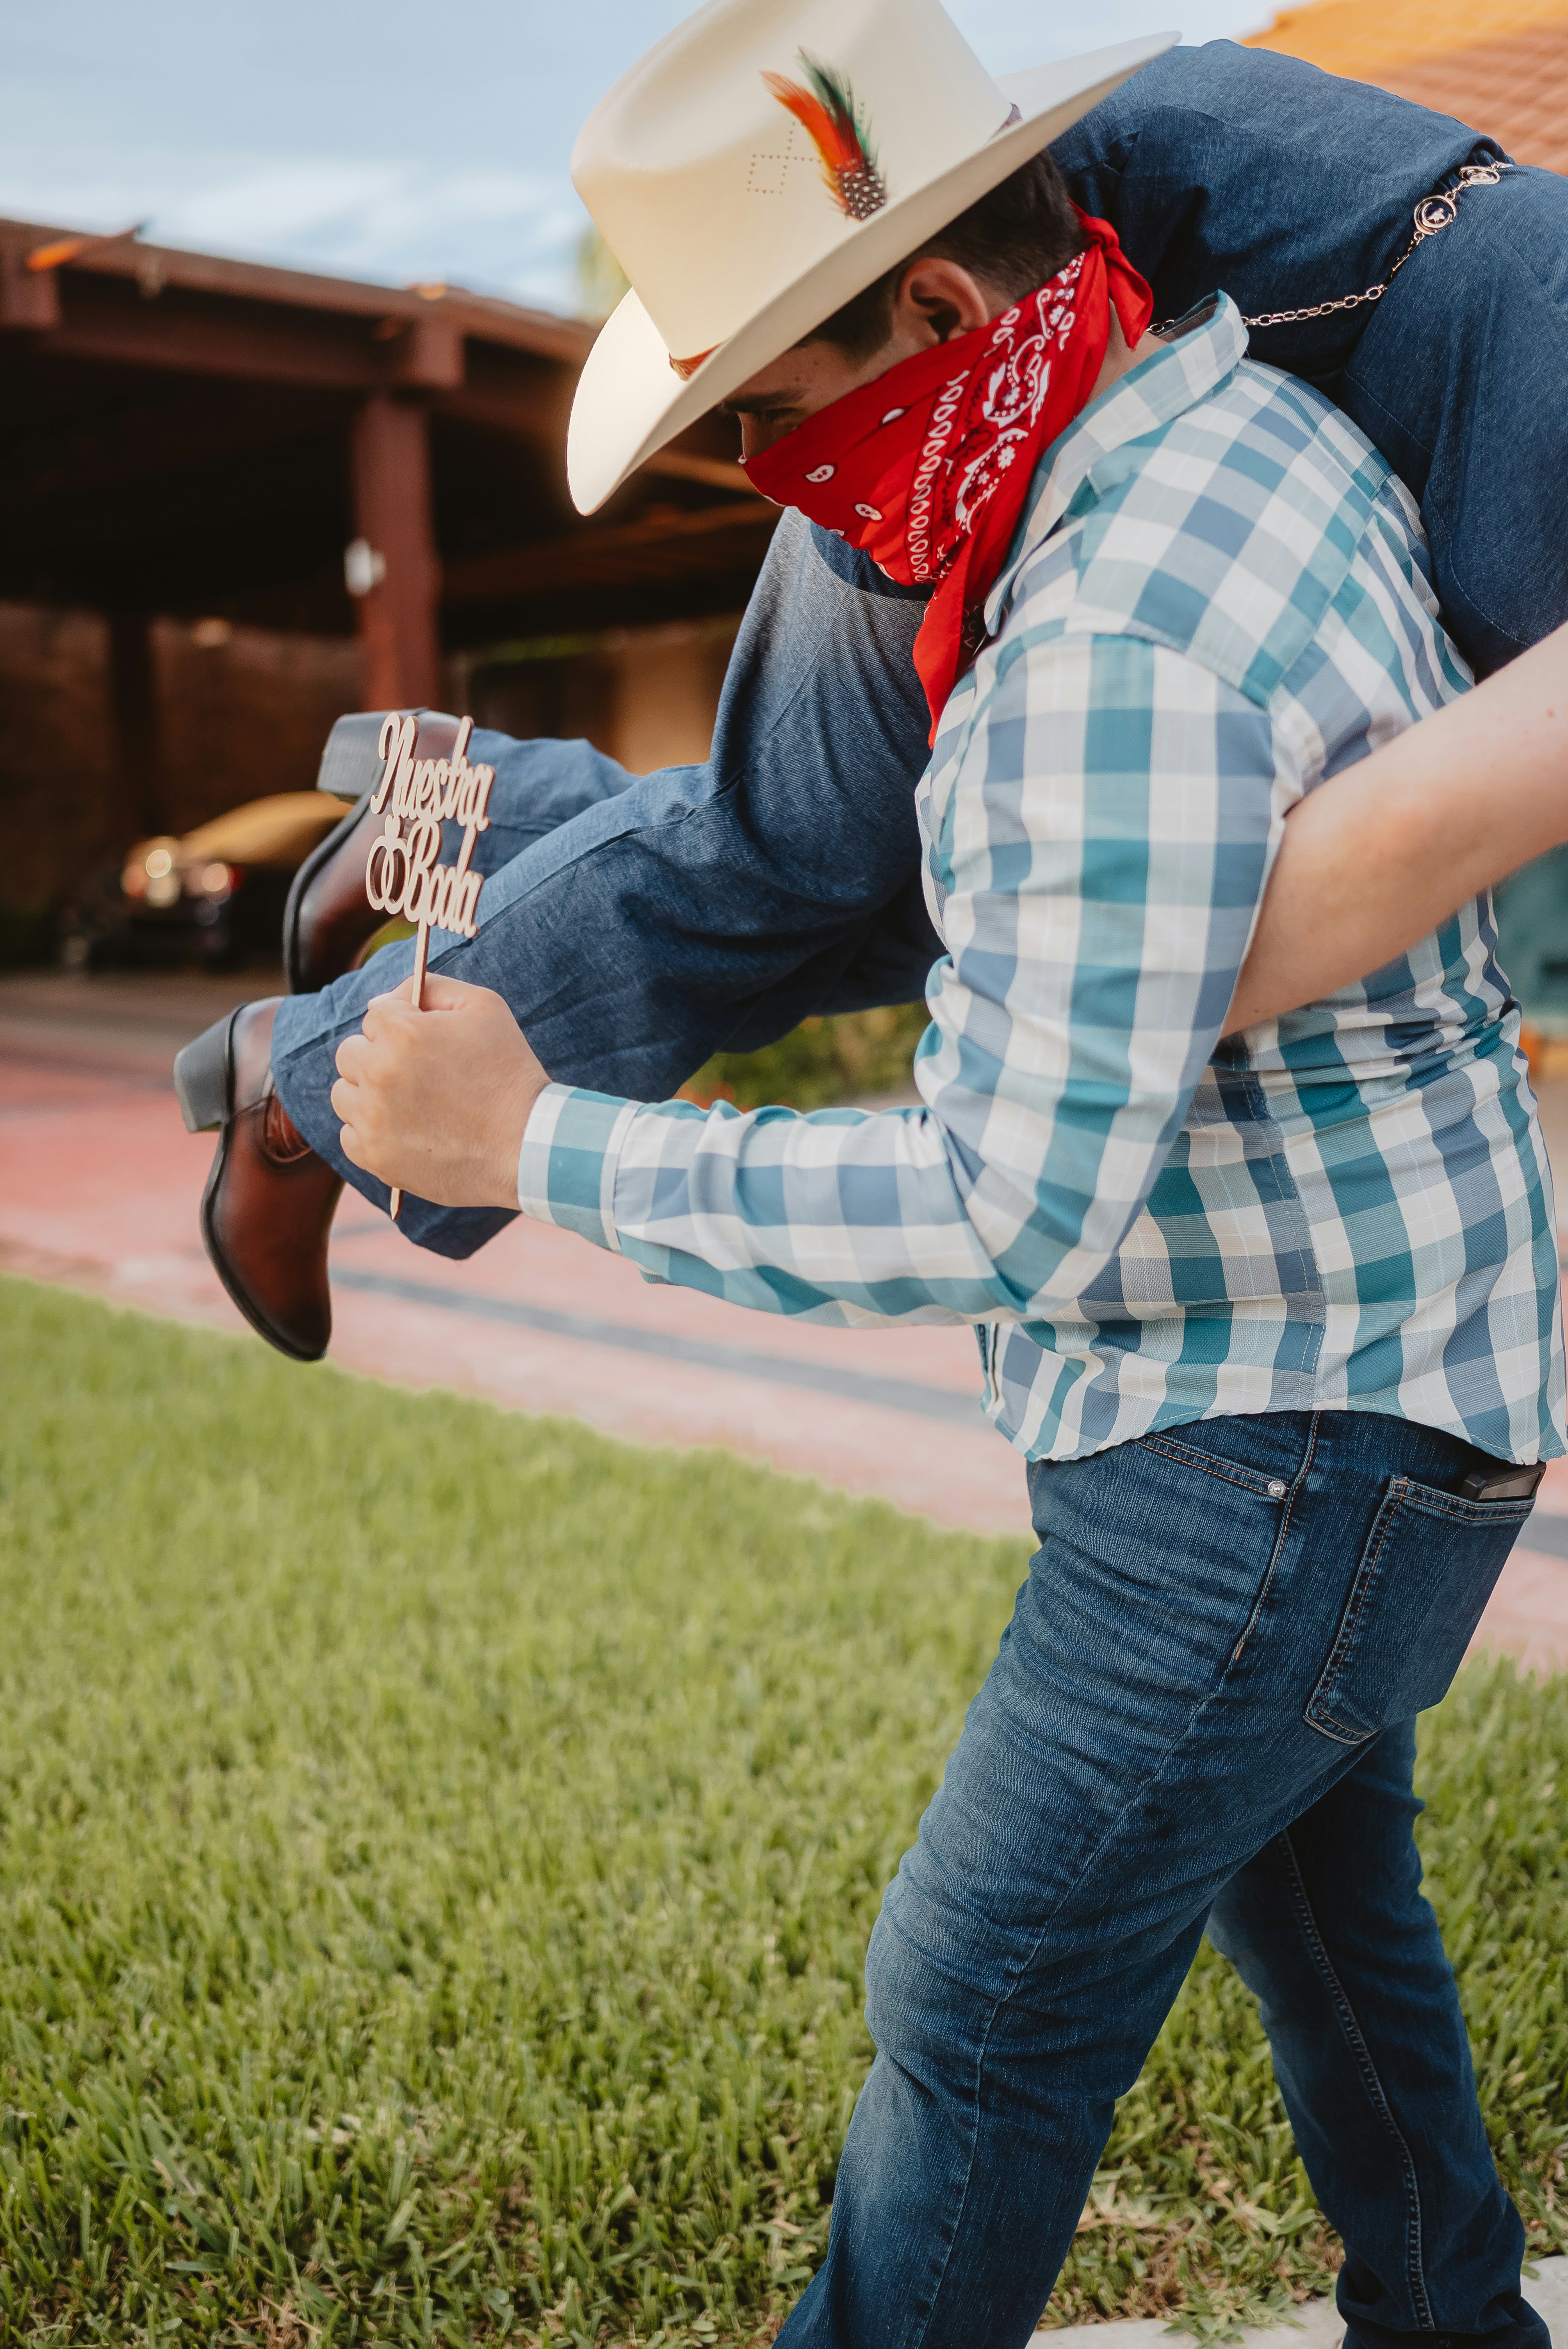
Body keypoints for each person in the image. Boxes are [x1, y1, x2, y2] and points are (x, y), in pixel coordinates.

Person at [182, 4, 1568, 2344]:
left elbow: (1014, 1200)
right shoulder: (1213, 397)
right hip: (1374, 1358)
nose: (756, 486)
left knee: (983, 1986)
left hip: (1260, 1425)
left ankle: (334, 1005)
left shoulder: (1096, 645)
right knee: (1325, 1915)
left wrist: (536, 1141)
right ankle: (1456, 2319)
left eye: (761, 418)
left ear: (939, 315)